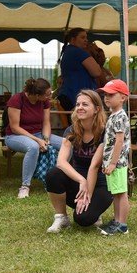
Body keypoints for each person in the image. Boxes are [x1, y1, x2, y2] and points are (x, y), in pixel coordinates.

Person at [44, 90, 112, 233]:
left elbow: (95, 167)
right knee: (53, 174)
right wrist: (82, 180)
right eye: (78, 104)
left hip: (101, 184)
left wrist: (88, 191)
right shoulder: (72, 130)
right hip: (79, 182)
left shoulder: (105, 132)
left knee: (83, 219)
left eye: (85, 104)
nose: (80, 107)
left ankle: (94, 210)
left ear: (96, 109)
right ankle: (61, 216)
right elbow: (61, 162)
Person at [5, 77, 63, 199]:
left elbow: (46, 123)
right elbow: (15, 127)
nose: (50, 96)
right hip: (15, 136)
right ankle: (25, 186)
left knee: (66, 144)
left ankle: (60, 179)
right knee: (33, 147)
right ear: (37, 95)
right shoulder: (17, 99)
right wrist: (38, 140)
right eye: (47, 94)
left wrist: (46, 139)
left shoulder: (44, 101)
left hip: (39, 134)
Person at [96, 79, 131, 236]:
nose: (106, 98)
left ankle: (122, 224)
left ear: (123, 97)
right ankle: (117, 221)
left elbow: (119, 141)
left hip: (117, 162)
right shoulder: (114, 115)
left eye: (111, 95)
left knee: (121, 193)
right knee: (116, 193)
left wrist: (113, 163)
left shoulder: (120, 117)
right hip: (112, 162)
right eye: (105, 95)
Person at [57, 28, 105, 111]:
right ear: (73, 39)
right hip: (75, 97)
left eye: (86, 37)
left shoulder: (68, 51)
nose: (86, 40)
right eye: (82, 37)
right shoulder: (78, 52)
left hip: (70, 95)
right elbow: (96, 72)